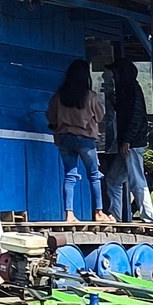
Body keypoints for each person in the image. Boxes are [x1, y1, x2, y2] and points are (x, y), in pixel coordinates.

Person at [45, 59, 105, 223]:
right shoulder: (90, 96)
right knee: (93, 176)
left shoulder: (59, 95)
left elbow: (50, 116)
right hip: (85, 139)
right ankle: (98, 213)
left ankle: (69, 214)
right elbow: (100, 116)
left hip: (64, 138)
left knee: (70, 176)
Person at [104, 59, 153, 224]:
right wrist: (114, 101)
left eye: (115, 73)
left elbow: (135, 116)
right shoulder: (127, 89)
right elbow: (126, 112)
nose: (113, 76)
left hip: (132, 144)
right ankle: (115, 216)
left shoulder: (132, 89)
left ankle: (149, 219)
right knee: (113, 179)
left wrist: (127, 140)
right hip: (128, 143)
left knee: (137, 180)